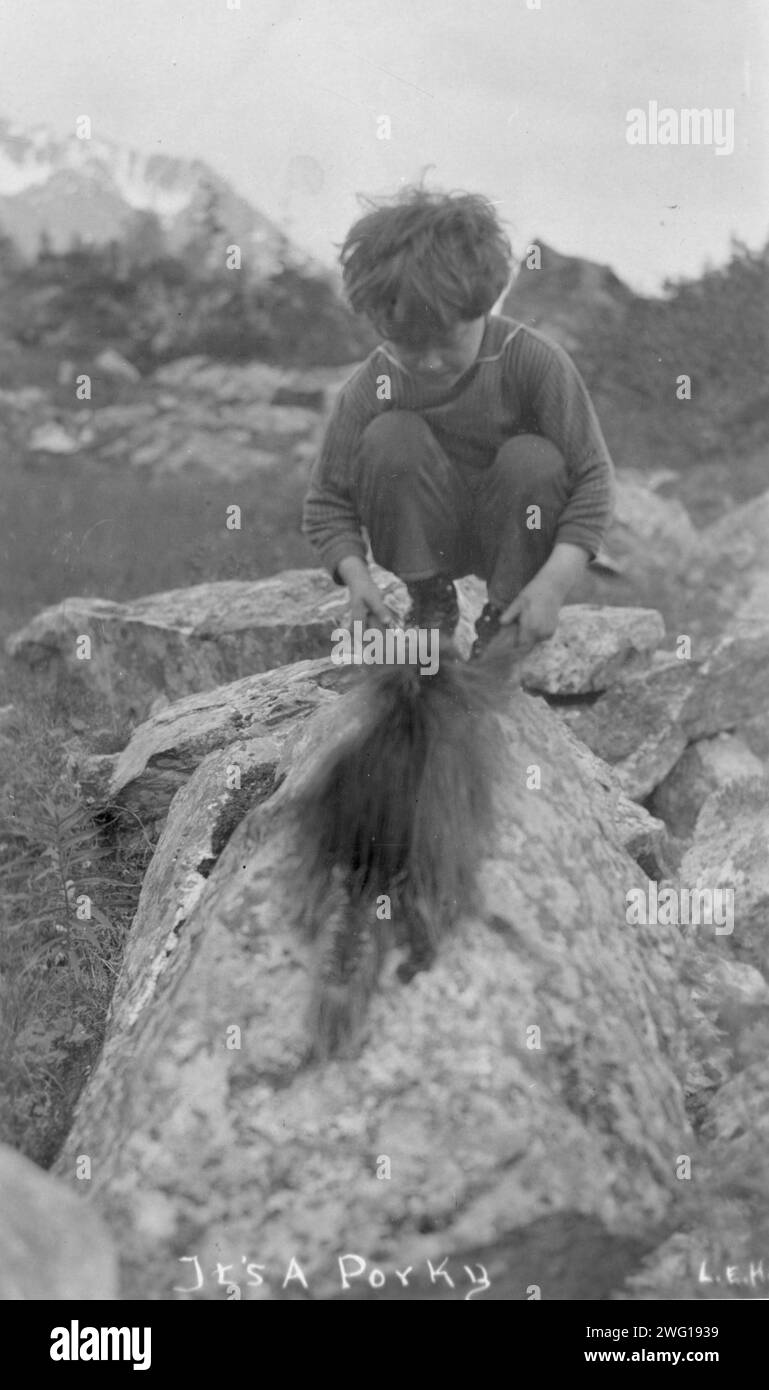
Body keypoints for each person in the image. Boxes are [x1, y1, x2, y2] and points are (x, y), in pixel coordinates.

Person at [302, 185, 615, 659]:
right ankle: (431, 603)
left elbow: (592, 477)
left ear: (483, 307)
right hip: (427, 537)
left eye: (446, 340)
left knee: (534, 459)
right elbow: (326, 499)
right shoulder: (373, 385)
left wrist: (553, 584)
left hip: (511, 534)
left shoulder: (532, 360)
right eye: (407, 343)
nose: (428, 361)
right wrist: (356, 578)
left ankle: (502, 621)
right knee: (391, 437)